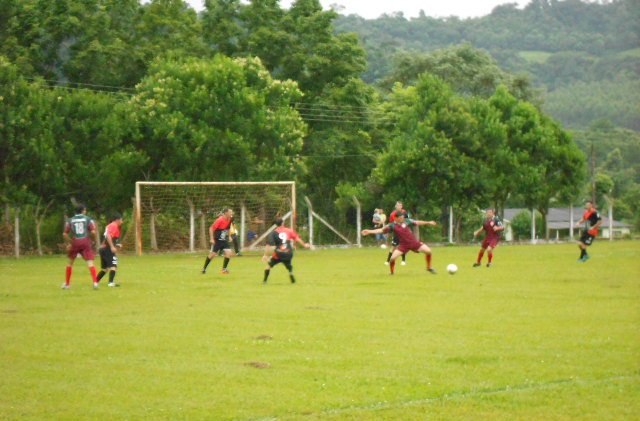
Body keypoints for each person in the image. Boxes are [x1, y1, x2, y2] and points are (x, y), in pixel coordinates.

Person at [362, 211, 437, 275]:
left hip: (414, 243)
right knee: (392, 259)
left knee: (428, 251)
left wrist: (428, 222)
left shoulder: (407, 221)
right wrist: (369, 231)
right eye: (401, 218)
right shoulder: (392, 225)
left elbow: (417, 222)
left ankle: (429, 267)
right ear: (396, 218)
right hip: (403, 246)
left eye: (403, 217)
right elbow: (381, 230)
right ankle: (392, 273)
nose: (403, 218)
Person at [61, 204, 100, 289]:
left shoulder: (70, 220)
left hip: (75, 241)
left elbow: (64, 234)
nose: (85, 211)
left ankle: (67, 284)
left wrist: (70, 242)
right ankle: (95, 283)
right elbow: (93, 232)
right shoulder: (88, 219)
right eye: (85, 210)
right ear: (83, 211)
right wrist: (92, 240)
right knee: (90, 262)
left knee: (70, 263)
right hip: (85, 241)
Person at [262, 218, 311, 284]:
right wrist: (305, 245)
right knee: (288, 264)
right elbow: (297, 239)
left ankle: (264, 281)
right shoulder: (289, 230)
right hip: (288, 252)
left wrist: (265, 255)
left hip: (278, 253)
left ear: (276, 224)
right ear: (282, 223)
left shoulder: (273, 233)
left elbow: (269, 245)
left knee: (268, 266)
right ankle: (290, 272)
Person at [202, 208, 235, 274]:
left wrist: (229, 236)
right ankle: (204, 268)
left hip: (224, 240)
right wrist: (211, 238)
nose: (232, 213)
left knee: (229, 252)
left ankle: (224, 269)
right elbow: (211, 228)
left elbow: (228, 228)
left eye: (232, 212)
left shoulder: (230, 219)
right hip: (217, 240)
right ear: (226, 213)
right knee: (212, 254)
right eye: (230, 212)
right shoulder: (219, 220)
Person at [97, 213, 124, 287]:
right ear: (117, 220)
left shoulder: (109, 226)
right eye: (121, 220)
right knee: (113, 265)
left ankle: (95, 281)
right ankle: (111, 283)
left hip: (103, 248)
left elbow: (107, 238)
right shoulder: (114, 226)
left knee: (104, 269)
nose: (122, 222)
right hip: (108, 249)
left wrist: (116, 245)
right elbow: (108, 235)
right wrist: (112, 247)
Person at [386, 201, 408, 265]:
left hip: (403, 232)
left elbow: (407, 221)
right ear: (395, 206)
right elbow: (391, 224)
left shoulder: (404, 212)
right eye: (398, 205)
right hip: (397, 232)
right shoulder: (392, 214)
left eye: (400, 205)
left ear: (402, 206)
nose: (399, 206)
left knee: (403, 246)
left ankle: (403, 260)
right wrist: (390, 231)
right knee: (393, 247)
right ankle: (388, 261)